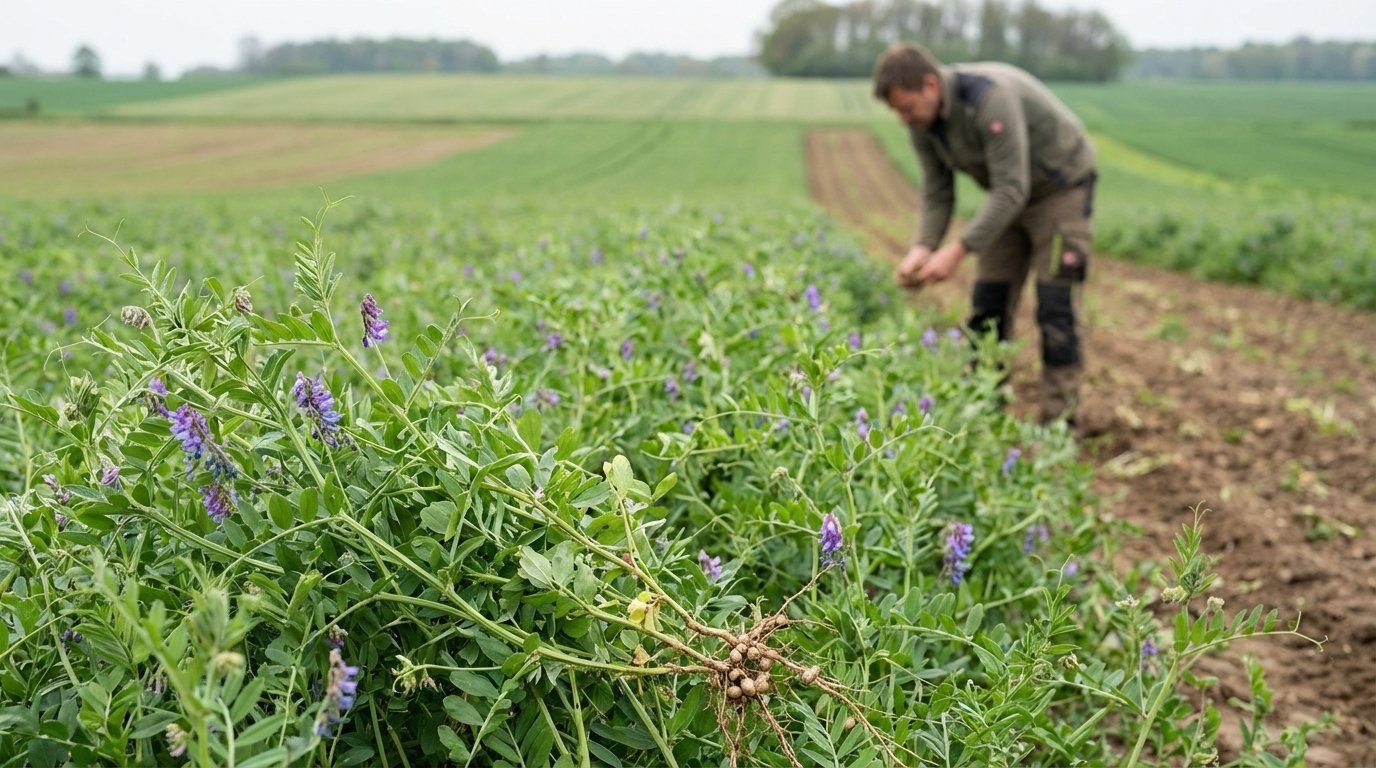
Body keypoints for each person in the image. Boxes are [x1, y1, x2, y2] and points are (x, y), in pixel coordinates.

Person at [872, 43, 1096, 427]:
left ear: (929, 85)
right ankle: (982, 417)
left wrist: (956, 251)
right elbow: (937, 192)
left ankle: (1059, 430)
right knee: (988, 305)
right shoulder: (922, 125)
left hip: (1060, 190)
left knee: (1055, 307)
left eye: (906, 107)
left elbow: (1012, 188)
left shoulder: (989, 98)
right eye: (897, 112)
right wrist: (922, 249)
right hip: (1007, 198)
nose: (904, 119)